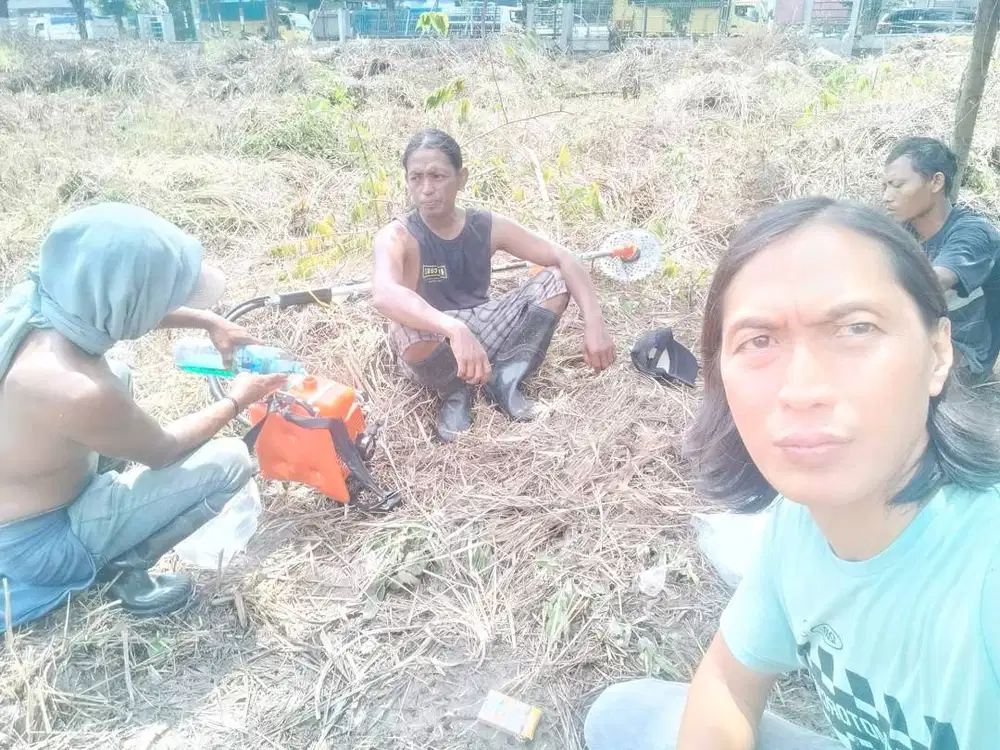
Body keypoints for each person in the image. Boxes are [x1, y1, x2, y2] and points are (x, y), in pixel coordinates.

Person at [584, 198, 1000, 749]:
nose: (801, 389)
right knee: (624, 715)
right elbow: (730, 681)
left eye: (855, 327)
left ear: (938, 351)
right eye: (759, 341)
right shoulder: (800, 522)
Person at [0, 203, 288, 631]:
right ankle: (123, 564)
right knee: (228, 461)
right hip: (41, 541)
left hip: (24, 493)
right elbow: (164, 451)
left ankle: (109, 502)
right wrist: (235, 400)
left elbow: (121, 306)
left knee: (118, 369)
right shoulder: (77, 388)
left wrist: (207, 320)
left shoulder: (38, 302)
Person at [371, 128, 616, 442]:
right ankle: (455, 393)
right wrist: (454, 330)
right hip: (433, 339)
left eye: (438, 176)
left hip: (482, 325)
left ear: (462, 178)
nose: (426, 189)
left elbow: (563, 256)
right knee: (403, 323)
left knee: (555, 279)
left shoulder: (486, 226)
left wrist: (594, 323)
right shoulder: (397, 235)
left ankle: (506, 378)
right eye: (416, 178)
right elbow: (384, 293)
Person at [883, 136, 1000, 383]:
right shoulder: (903, 232)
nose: (887, 196)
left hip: (966, 356)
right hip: (919, 335)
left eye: (897, 185)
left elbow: (937, 280)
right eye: (885, 186)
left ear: (936, 182)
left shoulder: (974, 233)